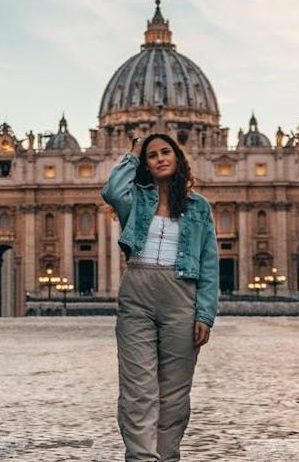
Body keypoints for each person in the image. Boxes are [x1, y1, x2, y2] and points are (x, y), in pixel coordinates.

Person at [101, 133, 219, 462]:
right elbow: (111, 190)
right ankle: (140, 459)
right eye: (151, 156)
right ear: (144, 164)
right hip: (137, 290)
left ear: (179, 158)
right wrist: (133, 152)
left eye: (166, 152)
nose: (160, 159)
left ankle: (167, 458)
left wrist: (205, 314)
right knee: (137, 390)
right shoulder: (133, 199)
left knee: (175, 396)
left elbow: (209, 263)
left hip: (181, 294)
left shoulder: (199, 207)